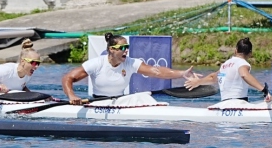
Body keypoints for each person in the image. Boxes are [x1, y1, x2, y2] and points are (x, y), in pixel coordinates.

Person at [61, 33, 194, 105]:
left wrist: (182, 73)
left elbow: (157, 71)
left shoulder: (130, 63)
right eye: (122, 48)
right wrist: (72, 95)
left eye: (127, 47)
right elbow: (68, 78)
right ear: (111, 50)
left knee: (144, 95)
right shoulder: (96, 63)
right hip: (99, 102)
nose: (126, 51)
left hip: (120, 101)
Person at [184, 37, 272, 102]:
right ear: (250, 53)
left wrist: (198, 82)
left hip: (224, 104)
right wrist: (264, 90)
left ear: (235, 50)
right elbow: (244, 74)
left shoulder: (224, 65)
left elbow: (212, 78)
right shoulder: (243, 63)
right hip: (239, 104)